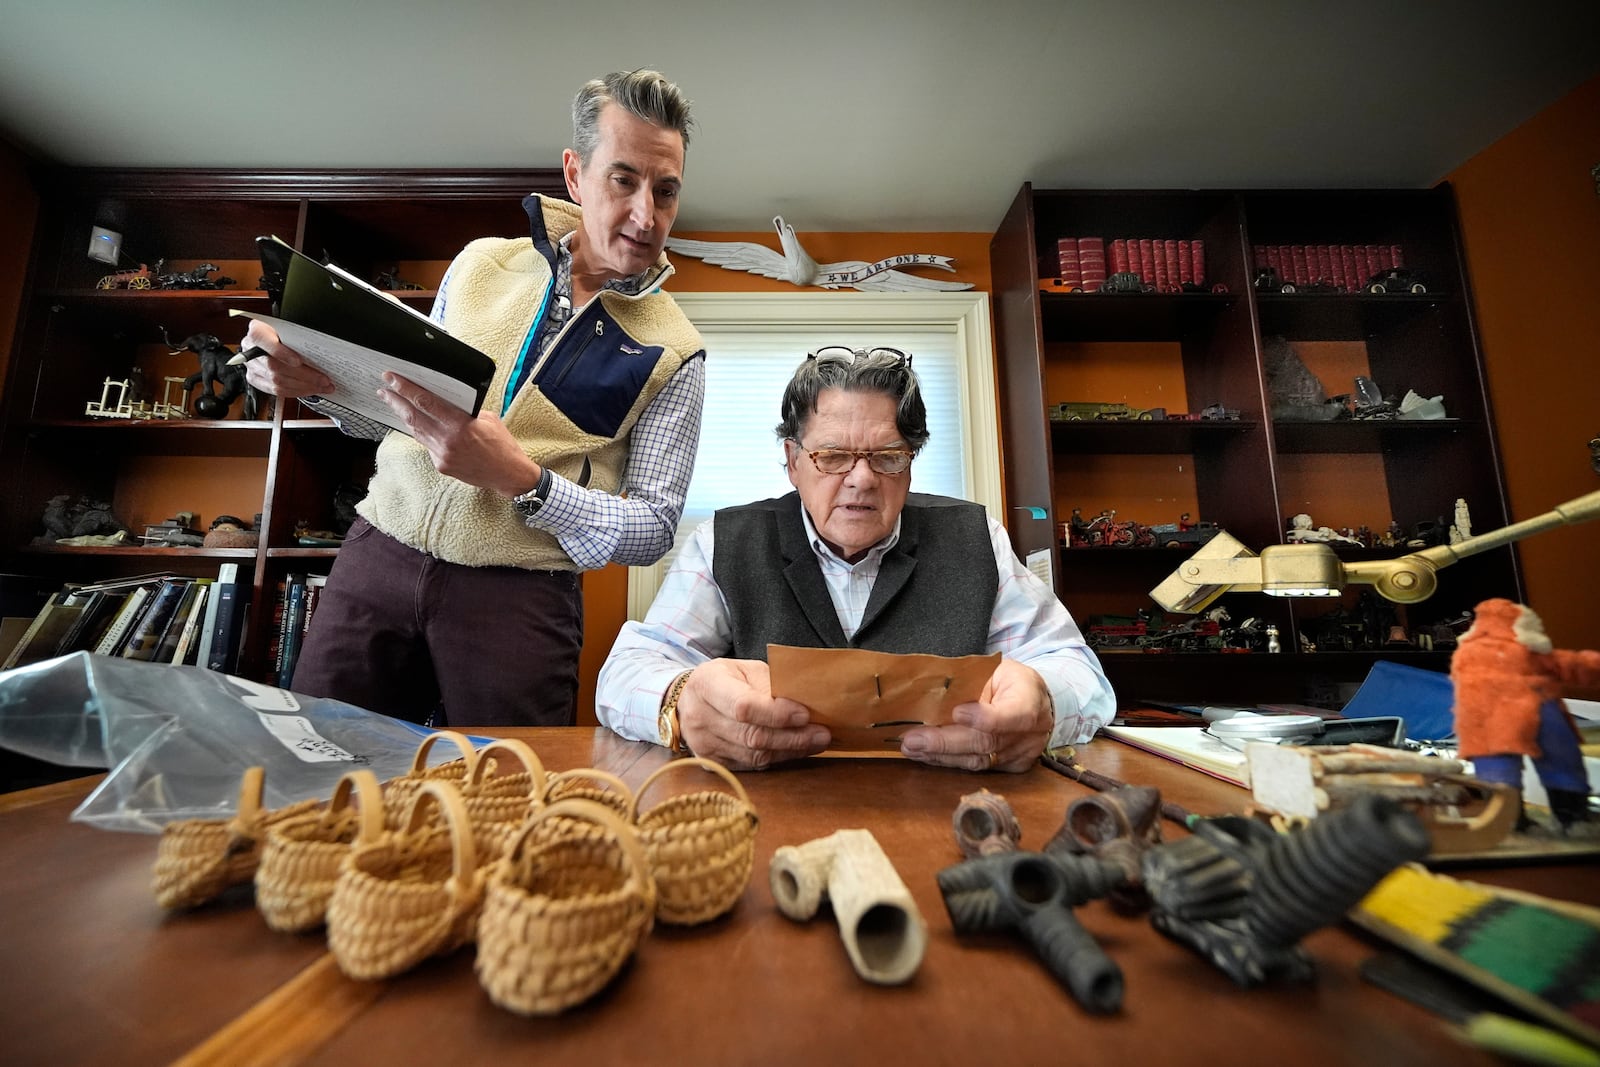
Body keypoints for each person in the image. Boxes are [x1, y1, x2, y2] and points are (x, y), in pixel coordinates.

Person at [239, 70, 705, 727]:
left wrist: (526, 482)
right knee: (321, 770)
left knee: (510, 805)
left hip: (520, 599)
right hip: (378, 557)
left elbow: (654, 525)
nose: (644, 215)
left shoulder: (679, 350)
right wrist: (317, 386)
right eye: (623, 180)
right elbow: (403, 419)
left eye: (666, 191)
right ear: (575, 175)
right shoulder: (481, 262)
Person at [596, 346, 1116, 771]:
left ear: (910, 464)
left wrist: (1043, 703)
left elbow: (1080, 672)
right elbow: (628, 670)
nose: (862, 479)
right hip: (767, 812)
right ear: (793, 462)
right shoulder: (725, 539)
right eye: (832, 456)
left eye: (888, 457)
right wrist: (680, 701)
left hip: (946, 808)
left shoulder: (976, 537)